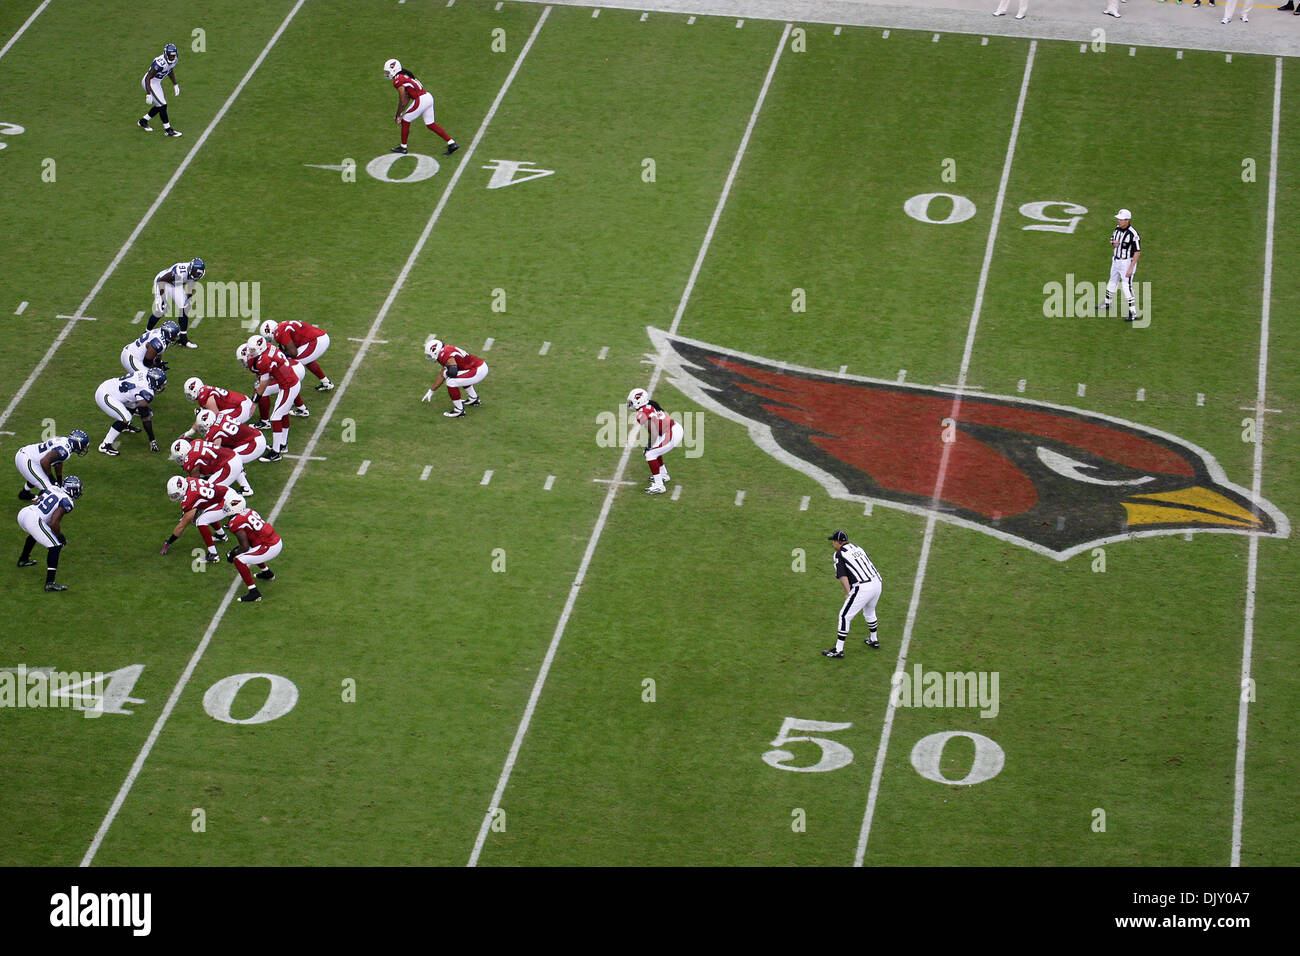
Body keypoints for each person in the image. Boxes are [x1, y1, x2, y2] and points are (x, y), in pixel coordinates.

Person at [821, 530, 883, 659]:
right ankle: (874, 639)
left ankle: (838, 649)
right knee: (870, 611)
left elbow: (842, 576)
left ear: (838, 542)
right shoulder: (858, 548)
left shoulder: (839, 554)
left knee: (844, 616)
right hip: (877, 582)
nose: (833, 544)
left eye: (833, 541)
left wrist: (848, 592)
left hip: (863, 587)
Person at [16, 476, 81, 591]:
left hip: (24, 512)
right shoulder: (68, 502)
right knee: (55, 545)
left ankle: (23, 559)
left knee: (37, 532)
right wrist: (60, 537)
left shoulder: (53, 488)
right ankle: (50, 583)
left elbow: (38, 500)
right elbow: (54, 523)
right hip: (33, 519)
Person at [384, 59, 458, 156]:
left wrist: (398, 114)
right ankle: (452, 143)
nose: (387, 73)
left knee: (405, 120)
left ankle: (403, 147)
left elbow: (402, 99)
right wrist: (400, 113)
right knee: (430, 124)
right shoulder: (405, 76)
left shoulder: (398, 80)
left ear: (394, 69)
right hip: (428, 97)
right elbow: (406, 99)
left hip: (421, 99)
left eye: (388, 71)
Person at [160, 475, 233, 563]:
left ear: (182, 489)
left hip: (228, 502)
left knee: (201, 521)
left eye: (176, 495)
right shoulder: (188, 480)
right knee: (205, 511)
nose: (175, 497)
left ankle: (213, 555)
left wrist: (169, 542)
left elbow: (182, 526)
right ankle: (221, 535)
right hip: (226, 492)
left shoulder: (188, 500)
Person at [223, 494, 281, 603]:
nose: (226, 508)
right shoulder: (249, 511)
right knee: (253, 547)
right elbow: (249, 543)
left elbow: (244, 547)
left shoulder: (235, 522)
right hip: (274, 540)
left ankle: (254, 593)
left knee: (239, 560)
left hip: (269, 546)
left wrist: (233, 553)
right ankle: (267, 573)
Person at [95, 367, 166, 455]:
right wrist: (152, 440)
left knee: (133, 404)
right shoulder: (146, 391)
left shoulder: (144, 372)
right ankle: (105, 445)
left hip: (110, 385)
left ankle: (124, 427)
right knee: (125, 418)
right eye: (160, 384)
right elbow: (145, 418)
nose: (161, 386)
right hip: (105, 395)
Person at [627, 388, 682, 495]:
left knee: (650, 454)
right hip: (673, 428)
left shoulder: (641, 414)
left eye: (632, 401)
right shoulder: (651, 404)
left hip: (670, 433)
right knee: (653, 451)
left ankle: (659, 486)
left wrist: (649, 446)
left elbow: (654, 432)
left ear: (638, 401)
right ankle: (663, 475)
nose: (630, 404)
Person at [259, 319, 335, 391]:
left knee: (289, 365)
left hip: (316, 341)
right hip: (318, 337)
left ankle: (291, 396)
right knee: (306, 359)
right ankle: (326, 383)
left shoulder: (279, 332)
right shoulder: (281, 325)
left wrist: (282, 354)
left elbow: (293, 353)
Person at [422, 338, 487, 418]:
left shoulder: (444, 354)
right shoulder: (444, 351)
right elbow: (442, 374)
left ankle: (459, 410)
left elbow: (453, 372)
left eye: (429, 354)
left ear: (434, 350)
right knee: (460, 376)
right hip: (477, 367)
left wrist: (446, 373)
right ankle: (474, 399)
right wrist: (431, 391)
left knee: (451, 382)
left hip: (478, 370)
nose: (429, 356)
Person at [147, 258, 205, 348]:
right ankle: (146, 334)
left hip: (176, 284)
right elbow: (162, 281)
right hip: (163, 281)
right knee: (161, 310)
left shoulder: (199, 273)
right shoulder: (180, 271)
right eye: (194, 273)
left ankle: (183, 339)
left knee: (185, 308)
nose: (196, 275)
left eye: (197, 274)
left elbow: (191, 283)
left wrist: (189, 298)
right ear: (190, 269)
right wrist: (163, 299)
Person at [15, 431, 88, 500]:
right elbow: (44, 462)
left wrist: (59, 480)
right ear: (76, 443)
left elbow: (58, 461)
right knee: (49, 489)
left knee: (40, 476)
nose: (83, 448)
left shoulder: (65, 441)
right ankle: (36, 511)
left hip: (30, 455)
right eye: (83, 445)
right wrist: (52, 479)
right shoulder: (65, 451)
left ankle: (24, 493)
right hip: (27, 459)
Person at [1100, 208, 1141, 321]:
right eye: (1119, 219)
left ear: (1127, 220)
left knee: (1126, 287)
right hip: (1116, 260)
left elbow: (1137, 252)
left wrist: (1131, 268)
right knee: (1112, 281)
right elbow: (1112, 239)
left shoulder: (1133, 234)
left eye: (1121, 219)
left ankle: (1133, 313)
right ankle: (1107, 303)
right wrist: (1113, 243)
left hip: (1126, 262)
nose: (1119, 221)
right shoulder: (1117, 229)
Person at [139, 42, 183, 136]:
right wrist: (148, 93)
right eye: (170, 56)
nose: (172, 57)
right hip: (150, 82)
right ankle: (168, 130)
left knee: (160, 105)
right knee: (162, 104)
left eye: (173, 55)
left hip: (157, 82)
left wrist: (175, 84)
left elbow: (170, 70)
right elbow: (148, 78)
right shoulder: (159, 63)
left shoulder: (175, 59)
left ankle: (143, 121)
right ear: (166, 54)